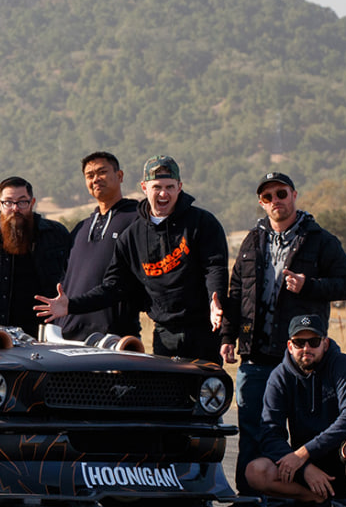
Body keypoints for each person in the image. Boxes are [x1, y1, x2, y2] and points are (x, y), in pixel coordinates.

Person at [212, 172, 346, 507]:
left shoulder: (319, 240)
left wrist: (309, 285)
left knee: (306, 430)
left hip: (301, 356)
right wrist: (227, 338)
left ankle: (319, 499)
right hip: (256, 352)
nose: (276, 201)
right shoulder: (252, 241)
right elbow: (237, 295)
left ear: (294, 195)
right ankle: (250, 502)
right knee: (251, 427)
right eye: (268, 196)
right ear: (261, 202)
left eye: (281, 193)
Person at [35, 155, 226, 361]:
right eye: (157, 187)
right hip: (164, 332)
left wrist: (215, 300)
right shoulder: (133, 234)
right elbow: (114, 286)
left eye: (170, 187)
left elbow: (214, 267)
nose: (163, 193)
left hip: (203, 329)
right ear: (144, 187)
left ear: (179, 187)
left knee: (207, 390)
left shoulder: (201, 222)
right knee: (166, 391)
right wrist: (71, 305)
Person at [245, 314, 346, 507]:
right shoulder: (279, 377)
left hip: (345, 463)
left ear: (325, 343)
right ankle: (318, 501)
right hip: (306, 469)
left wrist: (304, 453)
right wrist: (303, 466)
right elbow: (270, 434)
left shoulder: (341, 364)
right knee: (255, 471)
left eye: (314, 342)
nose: (306, 348)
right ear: (290, 346)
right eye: (299, 342)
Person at [0, 176, 71, 336]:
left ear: (32, 203)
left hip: (53, 332)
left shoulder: (57, 235)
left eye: (22, 202)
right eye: (8, 202)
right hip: (1, 339)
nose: (15, 208)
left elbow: (76, 277)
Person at [56, 152, 146, 341]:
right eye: (89, 176)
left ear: (119, 176)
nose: (96, 179)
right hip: (68, 335)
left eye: (102, 172)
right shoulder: (81, 227)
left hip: (114, 336)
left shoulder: (137, 220)